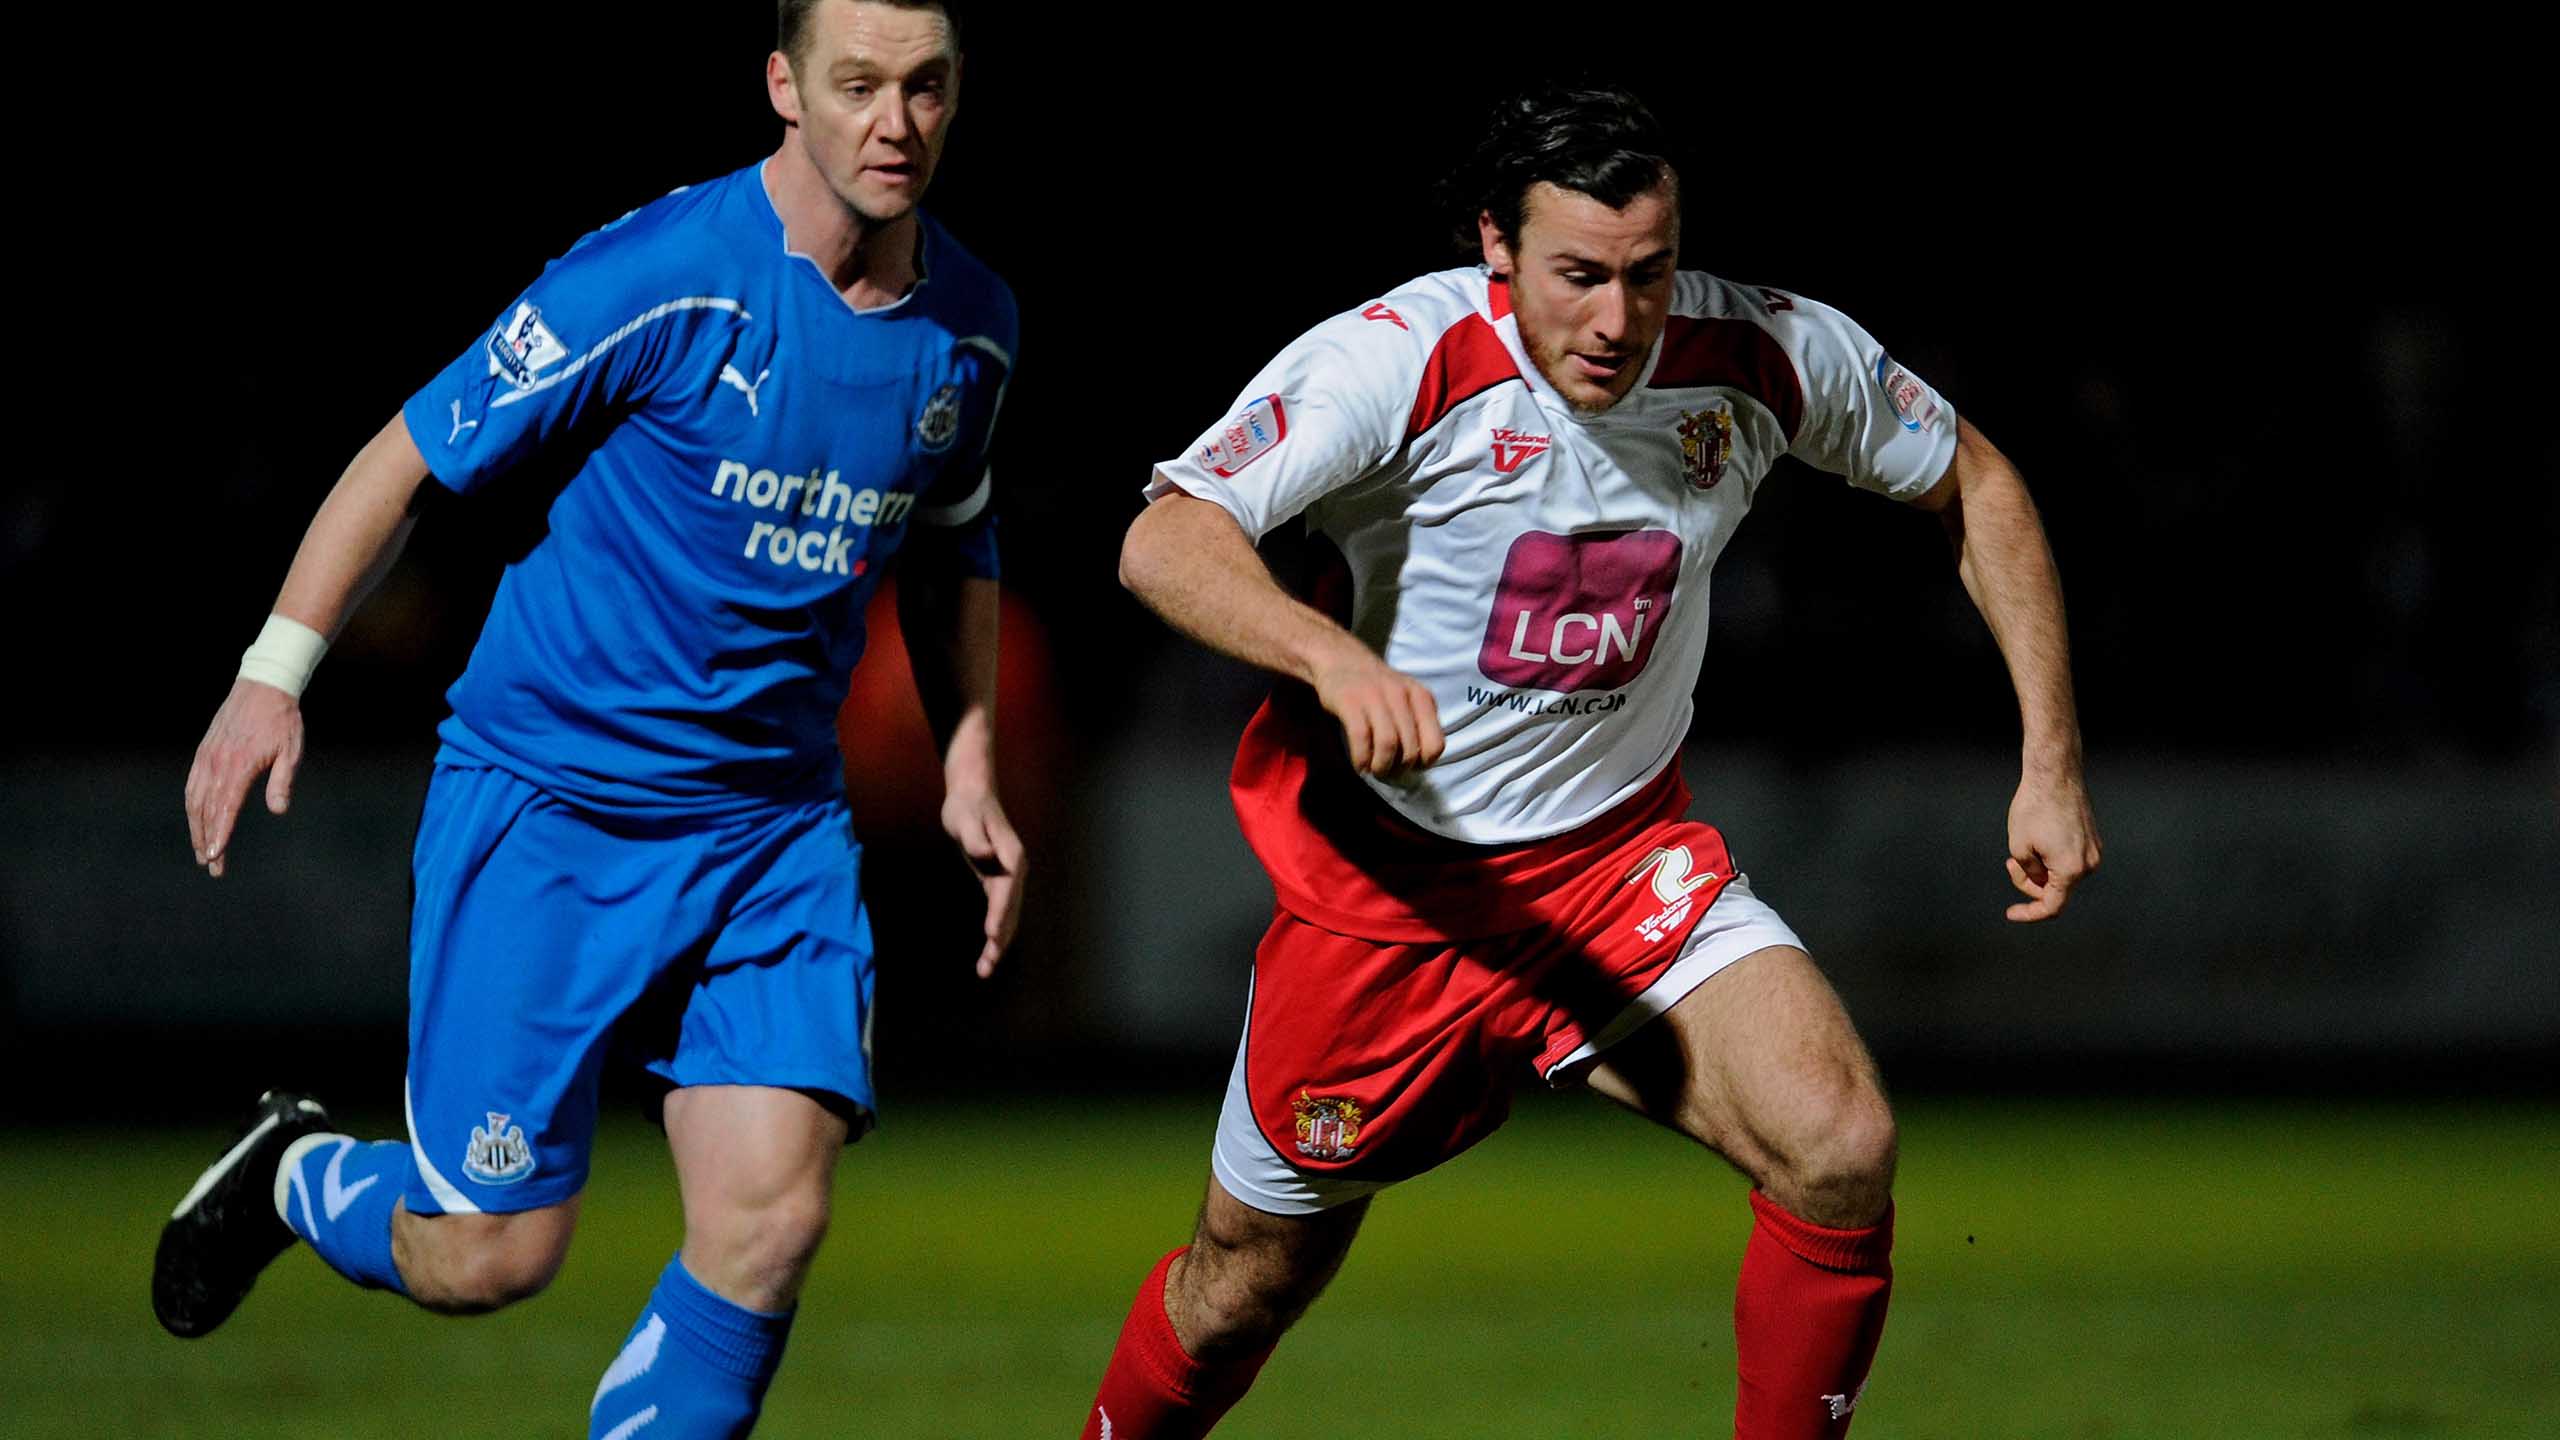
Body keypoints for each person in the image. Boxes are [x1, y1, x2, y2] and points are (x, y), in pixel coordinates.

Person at [1079, 83, 2099, 1440]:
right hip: (1393, 900)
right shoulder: (1398, 357)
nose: (1618, 320)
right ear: (1495, 245)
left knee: (1838, 1143)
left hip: (1618, 867)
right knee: (1244, 1282)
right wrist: (1325, 657)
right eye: (1578, 277)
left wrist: (2052, 759)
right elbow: (1169, 534)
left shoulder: (1764, 350)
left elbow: (1976, 479)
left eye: (1648, 273)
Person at [154, 4, 1022, 1436]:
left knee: (771, 1225)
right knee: (491, 1256)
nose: (895, 121)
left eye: (925, 86)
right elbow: (409, 457)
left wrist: (971, 753)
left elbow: (951, 537)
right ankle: (301, 1174)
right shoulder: (669, 274)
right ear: (782, 87)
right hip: (558, 805)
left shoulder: (974, 326)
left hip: (772, 833)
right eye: (857, 84)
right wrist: (272, 674)